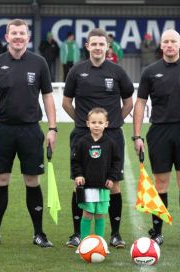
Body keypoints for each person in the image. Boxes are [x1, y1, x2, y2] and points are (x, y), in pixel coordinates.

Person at [0, 19, 57, 248]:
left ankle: (39, 233)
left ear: (28, 38)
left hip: (31, 130)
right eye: (14, 33)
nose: (18, 37)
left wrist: (52, 128)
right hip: (3, 130)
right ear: (7, 36)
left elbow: (48, 96)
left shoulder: (39, 63)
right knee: (1, 179)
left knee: (32, 180)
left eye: (22, 33)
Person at [133, 29, 180, 248]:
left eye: (173, 41)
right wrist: (136, 135)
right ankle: (157, 232)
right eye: (165, 41)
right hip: (159, 131)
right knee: (161, 183)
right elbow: (140, 103)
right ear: (161, 45)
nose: (169, 45)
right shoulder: (150, 72)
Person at [62, 28, 134, 249]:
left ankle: (116, 234)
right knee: (80, 183)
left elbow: (129, 102)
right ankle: (76, 234)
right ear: (87, 46)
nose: (97, 48)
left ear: (107, 47)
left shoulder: (117, 71)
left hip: (111, 137)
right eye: (93, 44)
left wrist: (111, 124)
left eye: (101, 44)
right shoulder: (76, 71)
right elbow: (66, 102)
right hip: (83, 137)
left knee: (113, 185)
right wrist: (84, 123)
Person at [72, 108, 120, 240]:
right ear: (88, 124)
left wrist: (112, 177)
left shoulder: (110, 143)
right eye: (93, 122)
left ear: (106, 124)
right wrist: (78, 175)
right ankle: (83, 242)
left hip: (103, 186)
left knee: (100, 215)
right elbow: (76, 162)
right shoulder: (82, 142)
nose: (97, 125)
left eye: (100, 122)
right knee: (87, 214)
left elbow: (116, 163)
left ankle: (100, 243)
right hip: (88, 187)